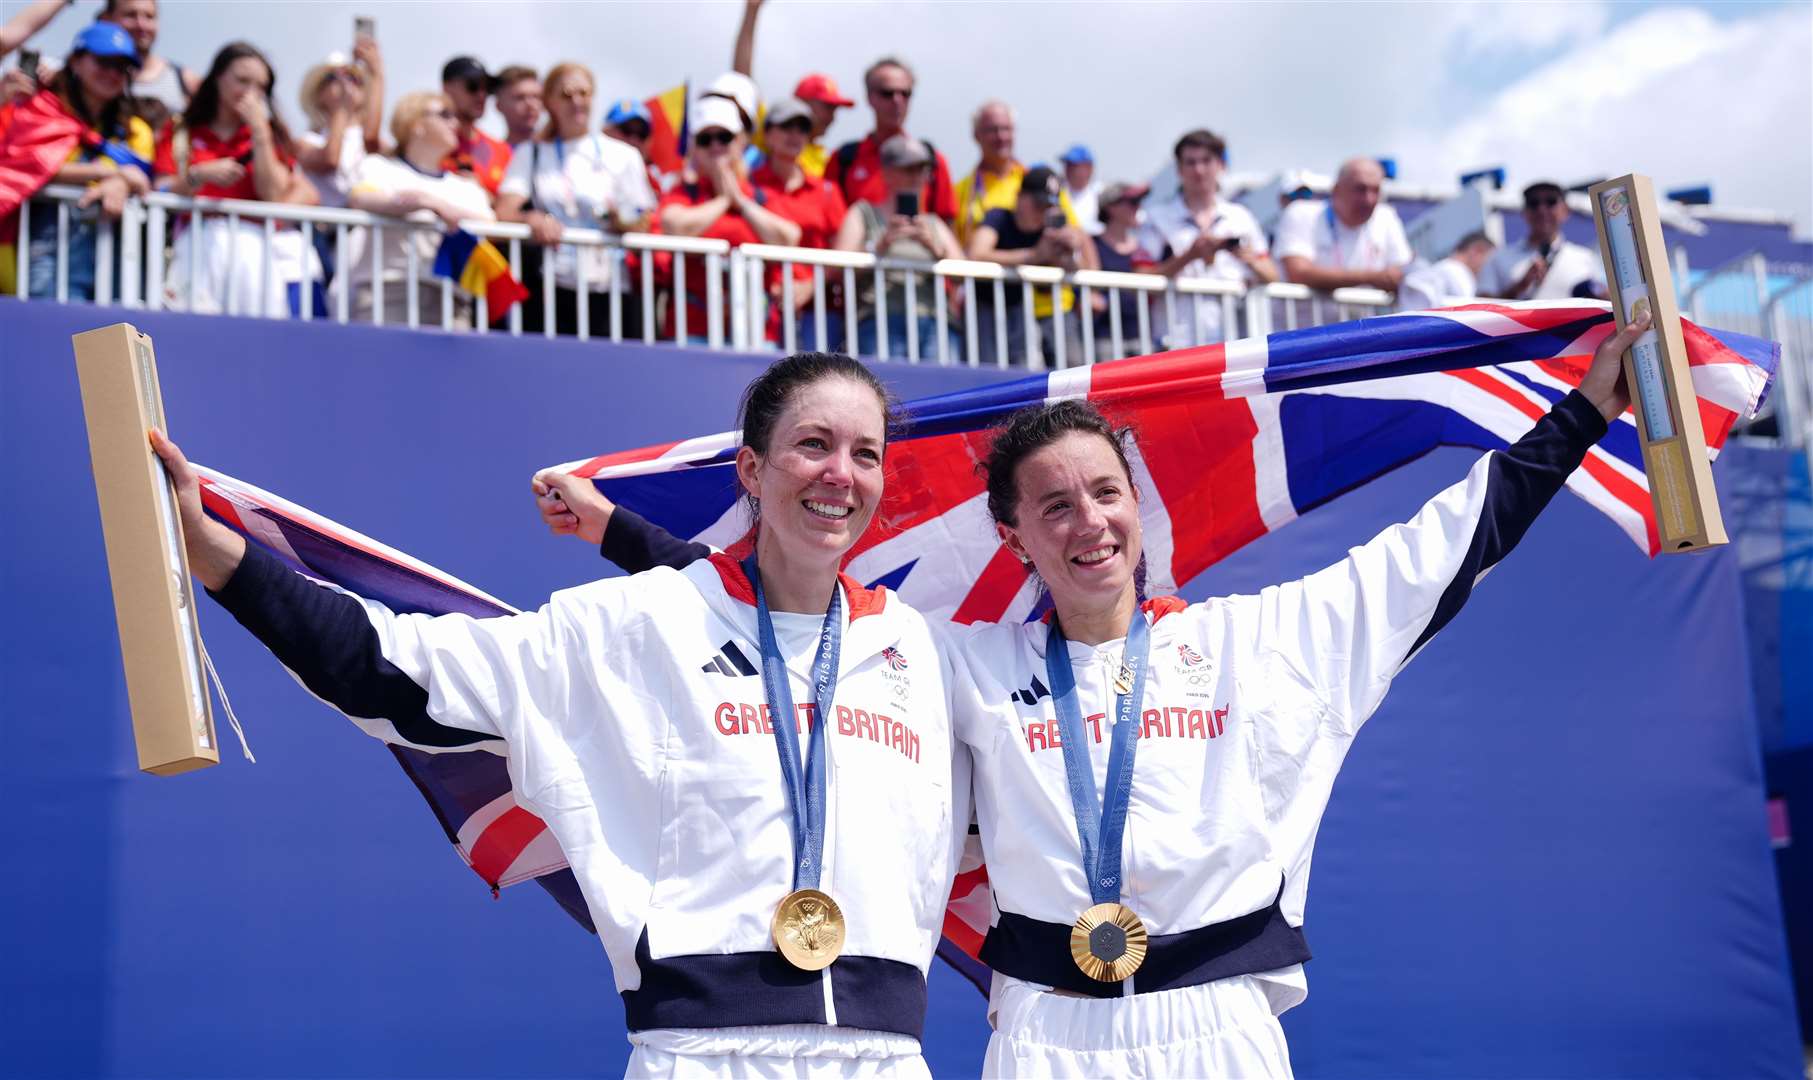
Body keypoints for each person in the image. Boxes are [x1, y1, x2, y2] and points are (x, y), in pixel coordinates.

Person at [542, 310, 1654, 1080]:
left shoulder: (1258, 644)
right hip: (1042, 1035)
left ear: (1141, 509)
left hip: (1218, 1024)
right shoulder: (958, 663)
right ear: (1015, 537)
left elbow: (1439, 551)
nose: (1087, 524)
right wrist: (621, 536)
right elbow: (788, 599)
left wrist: (1580, 412)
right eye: (1053, 506)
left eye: (1105, 494)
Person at [152, 352, 966, 1079]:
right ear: (751, 469)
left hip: (888, 1060)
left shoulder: (922, 652)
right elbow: (391, 669)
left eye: (866, 454)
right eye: (813, 445)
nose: (841, 474)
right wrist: (215, 554)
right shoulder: (633, 625)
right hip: (702, 1056)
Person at [156, 40, 322, 317]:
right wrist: (198, 176)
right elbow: (160, 187)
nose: (251, 93)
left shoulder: (270, 136)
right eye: (242, 80)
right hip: (196, 245)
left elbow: (274, 195)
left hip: (254, 248)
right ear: (218, 77)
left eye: (261, 87)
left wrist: (260, 132)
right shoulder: (182, 130)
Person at [495, 61, 654, 338]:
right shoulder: (531, 152)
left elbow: (643, 219)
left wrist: (622, 219)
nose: (577, 102)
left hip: (609, 284)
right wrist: (533, 218)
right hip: (551, 285)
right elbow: (504, 210)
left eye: (584, 93)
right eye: (567, 95)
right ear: (550, 104)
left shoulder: (623, 154)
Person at [2, 22, 153, 301]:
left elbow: (143, 180)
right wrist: (105, 172)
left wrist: (120, 180)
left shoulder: (136, 130)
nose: (112, 73)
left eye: (121, 67)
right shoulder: (41, 109)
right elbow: (19, 167)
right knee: (50, 338)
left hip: (119, 254)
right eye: (104, 61)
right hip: (50, 249)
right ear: (75, 60)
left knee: (115, 341)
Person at [655, 95, 805, 344]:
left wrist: (741, 202)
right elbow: (673, 226)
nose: (715, 146)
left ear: (740, 142)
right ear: (694, 148)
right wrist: (723, 201)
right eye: (705, 139)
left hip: (755, 334)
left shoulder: (758, 194)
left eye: (724, 137)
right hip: (691, 332)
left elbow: (789, 237)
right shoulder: (684, 192)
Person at [341, 90, 494, 327]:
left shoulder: (467, 187)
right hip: (390, 292)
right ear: (416, 125)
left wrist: (435, 205)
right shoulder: (379, 167)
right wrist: (422, 203)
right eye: (445, 115)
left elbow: (490, 225)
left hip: (452, 299)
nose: (455, 123)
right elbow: (361, 199)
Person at [1137, 129, 1277, 347]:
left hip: (1234, 340)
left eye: (1206, 161)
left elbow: (1272, 275)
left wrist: (1246, 257)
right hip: (1176, 341)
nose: (1199, 170)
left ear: (1220, 165)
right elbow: (1141, 279)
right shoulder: (1156, 218)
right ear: (1179, 169)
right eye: (1190, 162)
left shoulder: (1240, 217)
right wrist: (1190, 256)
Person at [831, 132, 961, 360]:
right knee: (890, 393)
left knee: (943, 392)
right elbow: (836, 270)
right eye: (908, 168)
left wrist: (934, 248)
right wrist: (878, 247)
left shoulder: (933, 223)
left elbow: (965, 272)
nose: (917, 176)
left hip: (934, 320)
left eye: (922, 169)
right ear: (887, 172)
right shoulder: (862, 213)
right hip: (880, 318)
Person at [966, 163, 1098, 366]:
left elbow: (1087, 270)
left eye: (1048, 206)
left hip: (1021, 312)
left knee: (1028, 368)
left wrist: (1070, 253)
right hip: (986, 309)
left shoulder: (1049, 229)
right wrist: (1033, 255)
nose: (1042, 211)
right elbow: (976, 254)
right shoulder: (999, 217)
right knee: (989, 370)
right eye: (1038, 204)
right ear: (1020, 197)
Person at [751, 96, 847, 346]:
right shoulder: (748, 185)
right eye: (786, 126)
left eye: (802, 128)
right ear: (768, 134)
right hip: (762, 306)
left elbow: (844, 252)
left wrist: (810, 286)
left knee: (818, 382)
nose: (795, 135)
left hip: (818, 311)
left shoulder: (826, 191)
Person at [823, 56, 954, 223]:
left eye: (905, 94)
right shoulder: (844, 159)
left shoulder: (932, 160)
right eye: (887, 93)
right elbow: (832, 225)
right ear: (870, 97)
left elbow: (946, 223)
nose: (897, 101)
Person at [1273, 157, 1412, 293]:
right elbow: (1299, 273)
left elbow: (1403, 272)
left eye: (1375, 191)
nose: (1368, 200)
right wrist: (1372, 278)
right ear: (1337, 190)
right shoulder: (1300, 212)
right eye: (1360, 189)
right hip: (1303, 316)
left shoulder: (1386, 216)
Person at [951, 100, 1073, 248]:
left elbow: (1075, 232)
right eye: (992, 129)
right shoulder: (959, 192)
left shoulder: (1040, 183)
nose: (1001, 136)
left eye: (1006, 129)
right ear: (976, 135)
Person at [1478, 181, 1606, 301]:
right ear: (1524, 212)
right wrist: (1520, 286)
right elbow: (1483, 309)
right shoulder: (1498, 258)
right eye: (1533, 203)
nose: (1542, 210)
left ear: (1565, 211)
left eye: (1551, 202)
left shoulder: (1585, 258)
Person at [295, 42, 383, 211]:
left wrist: (377, 73)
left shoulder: (368, 138)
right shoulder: (306, 141)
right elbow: (329, 160)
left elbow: (372, 142)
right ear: (319, 95)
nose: (345, 84)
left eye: (353, 78)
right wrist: (341, 109)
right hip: (325, 231)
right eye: (332, 78)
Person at [97, 0, 197, 130]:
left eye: (149, 17)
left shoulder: (185, 81)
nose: (141, 25)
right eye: (131, 15)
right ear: (106, 19)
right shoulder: (90, 76)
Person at [1088, 181, 1158, 357]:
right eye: (1133, 202)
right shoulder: (1092, 245)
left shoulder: (1144, 246)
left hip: (1141, 335)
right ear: (1111, 207)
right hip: (1105, 337)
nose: (1138, 208)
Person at [440, 55, 509, 199]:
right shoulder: (428, 140)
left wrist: (480, 193)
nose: (481, 95)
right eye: (473, 86)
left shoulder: (501, 150)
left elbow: (509, 207)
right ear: (447, 88)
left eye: (487, 89)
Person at [1396, 229, 1494, 312]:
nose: (1487, 267)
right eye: (1489, 259)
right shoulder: (1457, 272)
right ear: (1477, 251)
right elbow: (1467, 315)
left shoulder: (1443, 269)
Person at [492, 63, 542, 149]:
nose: (531, 104)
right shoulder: (493, 158)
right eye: (520, 98)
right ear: (498, 105)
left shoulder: (560, 149)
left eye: (536, 97)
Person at [1058, 144, 1100, 236]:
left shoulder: (1099, 194)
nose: (1068, 169)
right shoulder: (1056, 192)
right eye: (1067, 165)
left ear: (1089, 168)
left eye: (1074, 166)